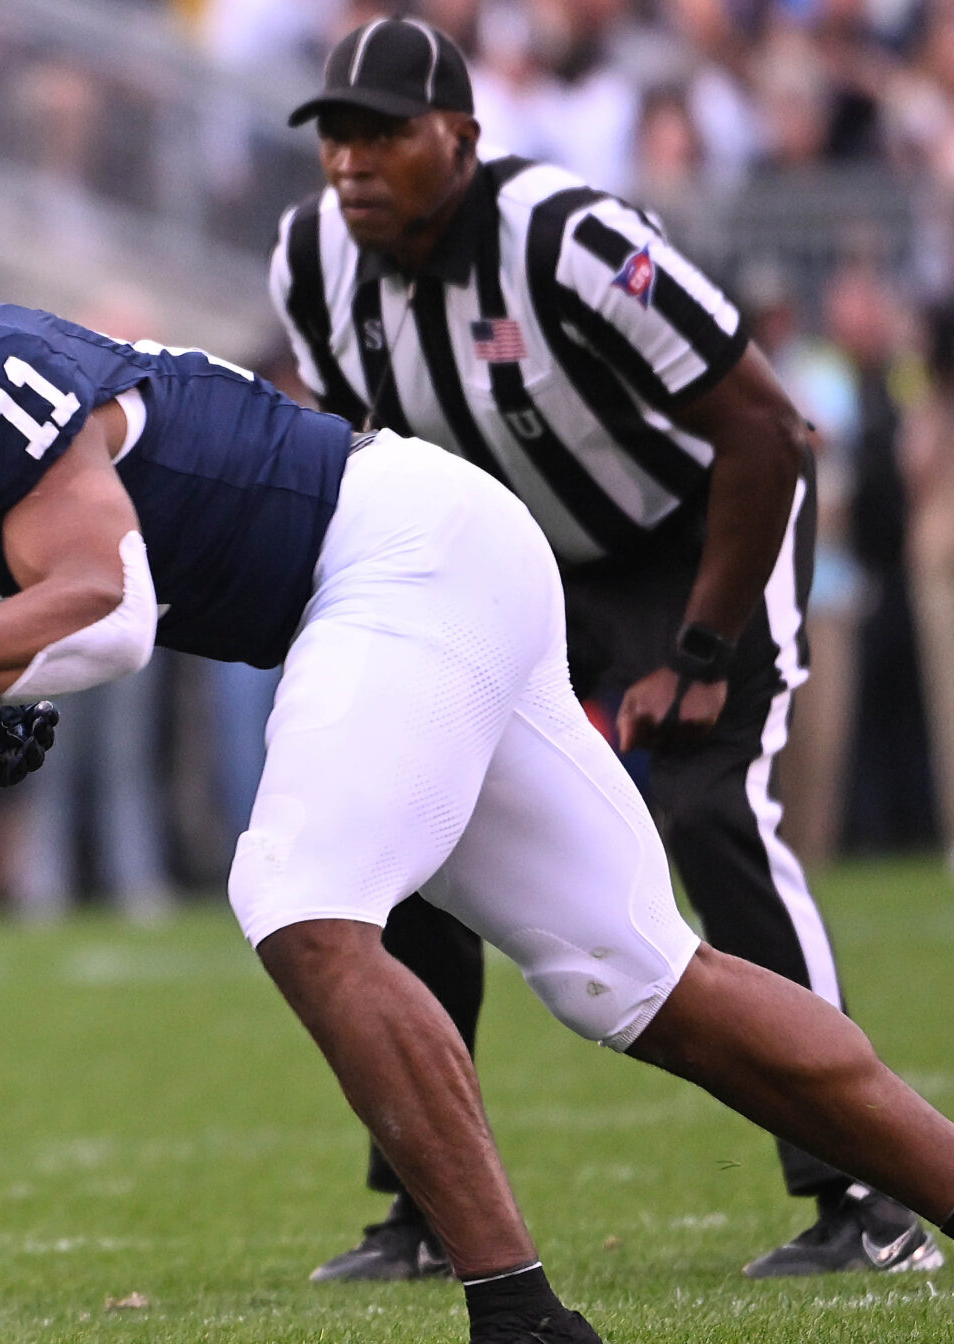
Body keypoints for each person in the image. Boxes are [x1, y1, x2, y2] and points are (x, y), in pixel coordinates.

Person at [0, 151, 954, 1344]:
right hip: (415, 570)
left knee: (298, 898)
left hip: (397, 557)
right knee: (636, 977)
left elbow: (109, 611)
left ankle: (517, 1313)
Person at [265, 16, 941, 1280]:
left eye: (384, 135)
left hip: (692, 537)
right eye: (337, 140)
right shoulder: (309, 261)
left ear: (458, 138)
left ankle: (867, 1197)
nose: (352, 166)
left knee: (706, 809)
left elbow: (767, 431)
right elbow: (353, 454)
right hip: (504, 562)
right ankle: (422, 1207)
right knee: (404, 834)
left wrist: (698, 646)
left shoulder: (567, 238)